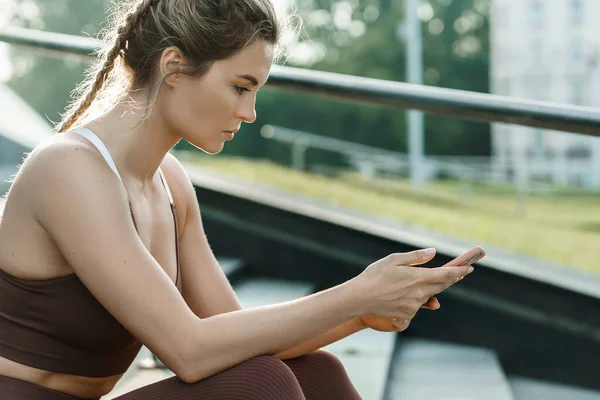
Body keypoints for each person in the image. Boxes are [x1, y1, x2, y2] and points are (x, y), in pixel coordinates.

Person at [0, 0, 474, 399]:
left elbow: (233, 331)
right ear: (174, 67)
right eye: (240, 87)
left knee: (318, 372)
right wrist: (355, 293)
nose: (248, 113)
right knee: (259, 384)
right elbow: (189, 350)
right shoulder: (68, 169)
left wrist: (362, 314)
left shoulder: (169, 183)